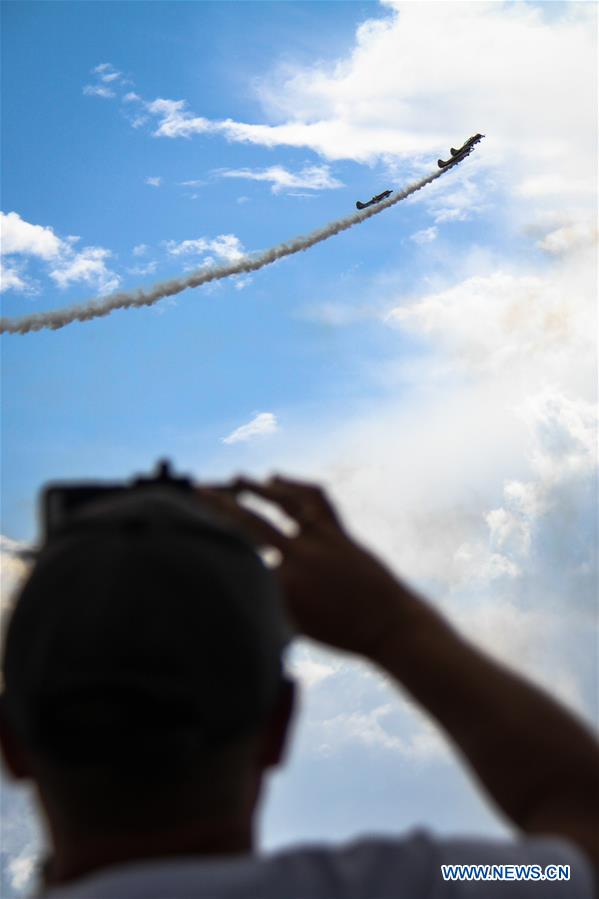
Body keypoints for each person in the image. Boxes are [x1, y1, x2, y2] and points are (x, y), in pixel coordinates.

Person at [0, 472, 597, 898]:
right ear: (280, 725)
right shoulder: (410, 886)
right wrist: (392, 624)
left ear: (11, 745)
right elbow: (573, 848)